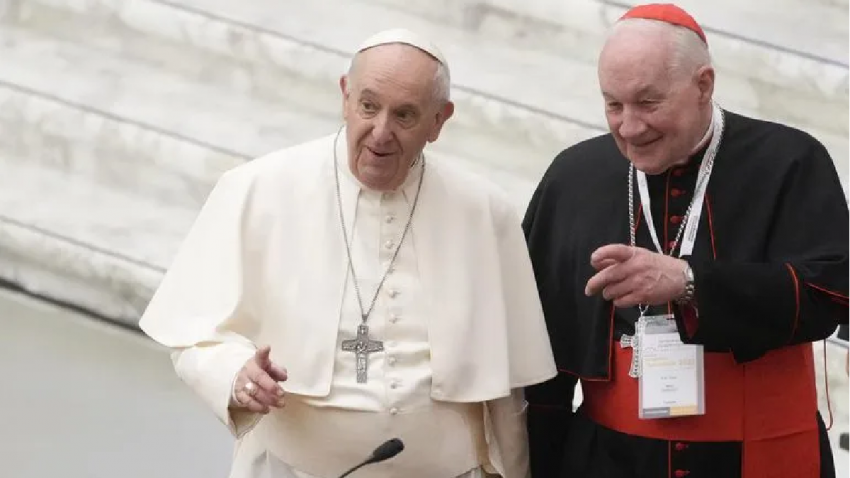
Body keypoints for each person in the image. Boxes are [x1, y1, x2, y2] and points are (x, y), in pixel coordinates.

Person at [138, 28, 557, 478]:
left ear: (439, 121)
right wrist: (235, 374)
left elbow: (507, 390)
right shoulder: (259, 189)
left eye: (405, 115)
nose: (381, 133)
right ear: (345, 95)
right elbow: (194, 338)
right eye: (368, 106)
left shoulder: (483, 212)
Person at [522, 4, 848, 478]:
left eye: (648, 103)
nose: (629, 127)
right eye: (613, 105)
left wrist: (691, 282)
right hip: (608, 461)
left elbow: (831, 293)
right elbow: (536, 346)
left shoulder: (790, 161)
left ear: (703, 85)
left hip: (759, 456)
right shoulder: (573, 177)